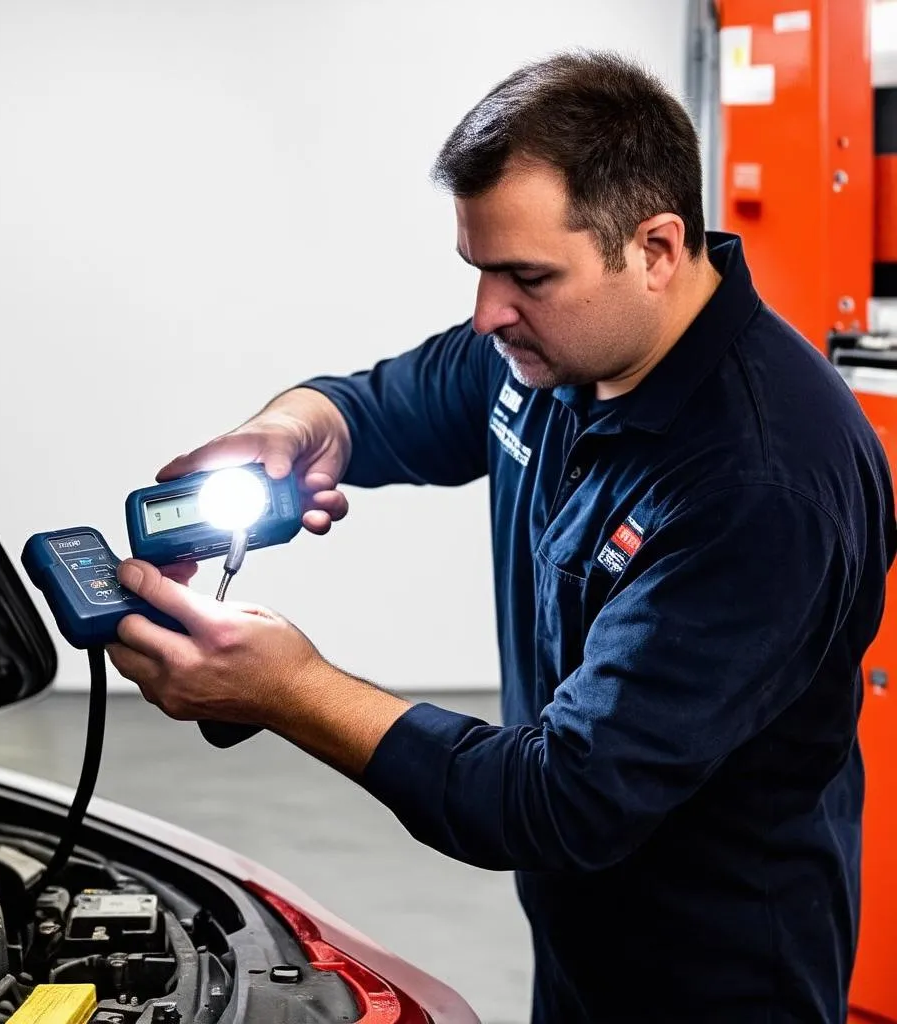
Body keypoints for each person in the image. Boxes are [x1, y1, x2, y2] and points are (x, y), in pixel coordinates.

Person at [106, 49, 896, 1023]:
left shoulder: (760, 483)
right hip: (581, 938)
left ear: (653, 249)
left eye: (524, 276)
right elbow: (379, 408)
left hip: (720, 978)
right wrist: (296, 423)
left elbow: (558, 800)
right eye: (479, 271)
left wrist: (288, 689)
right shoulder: (554, 352)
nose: (487, 315)